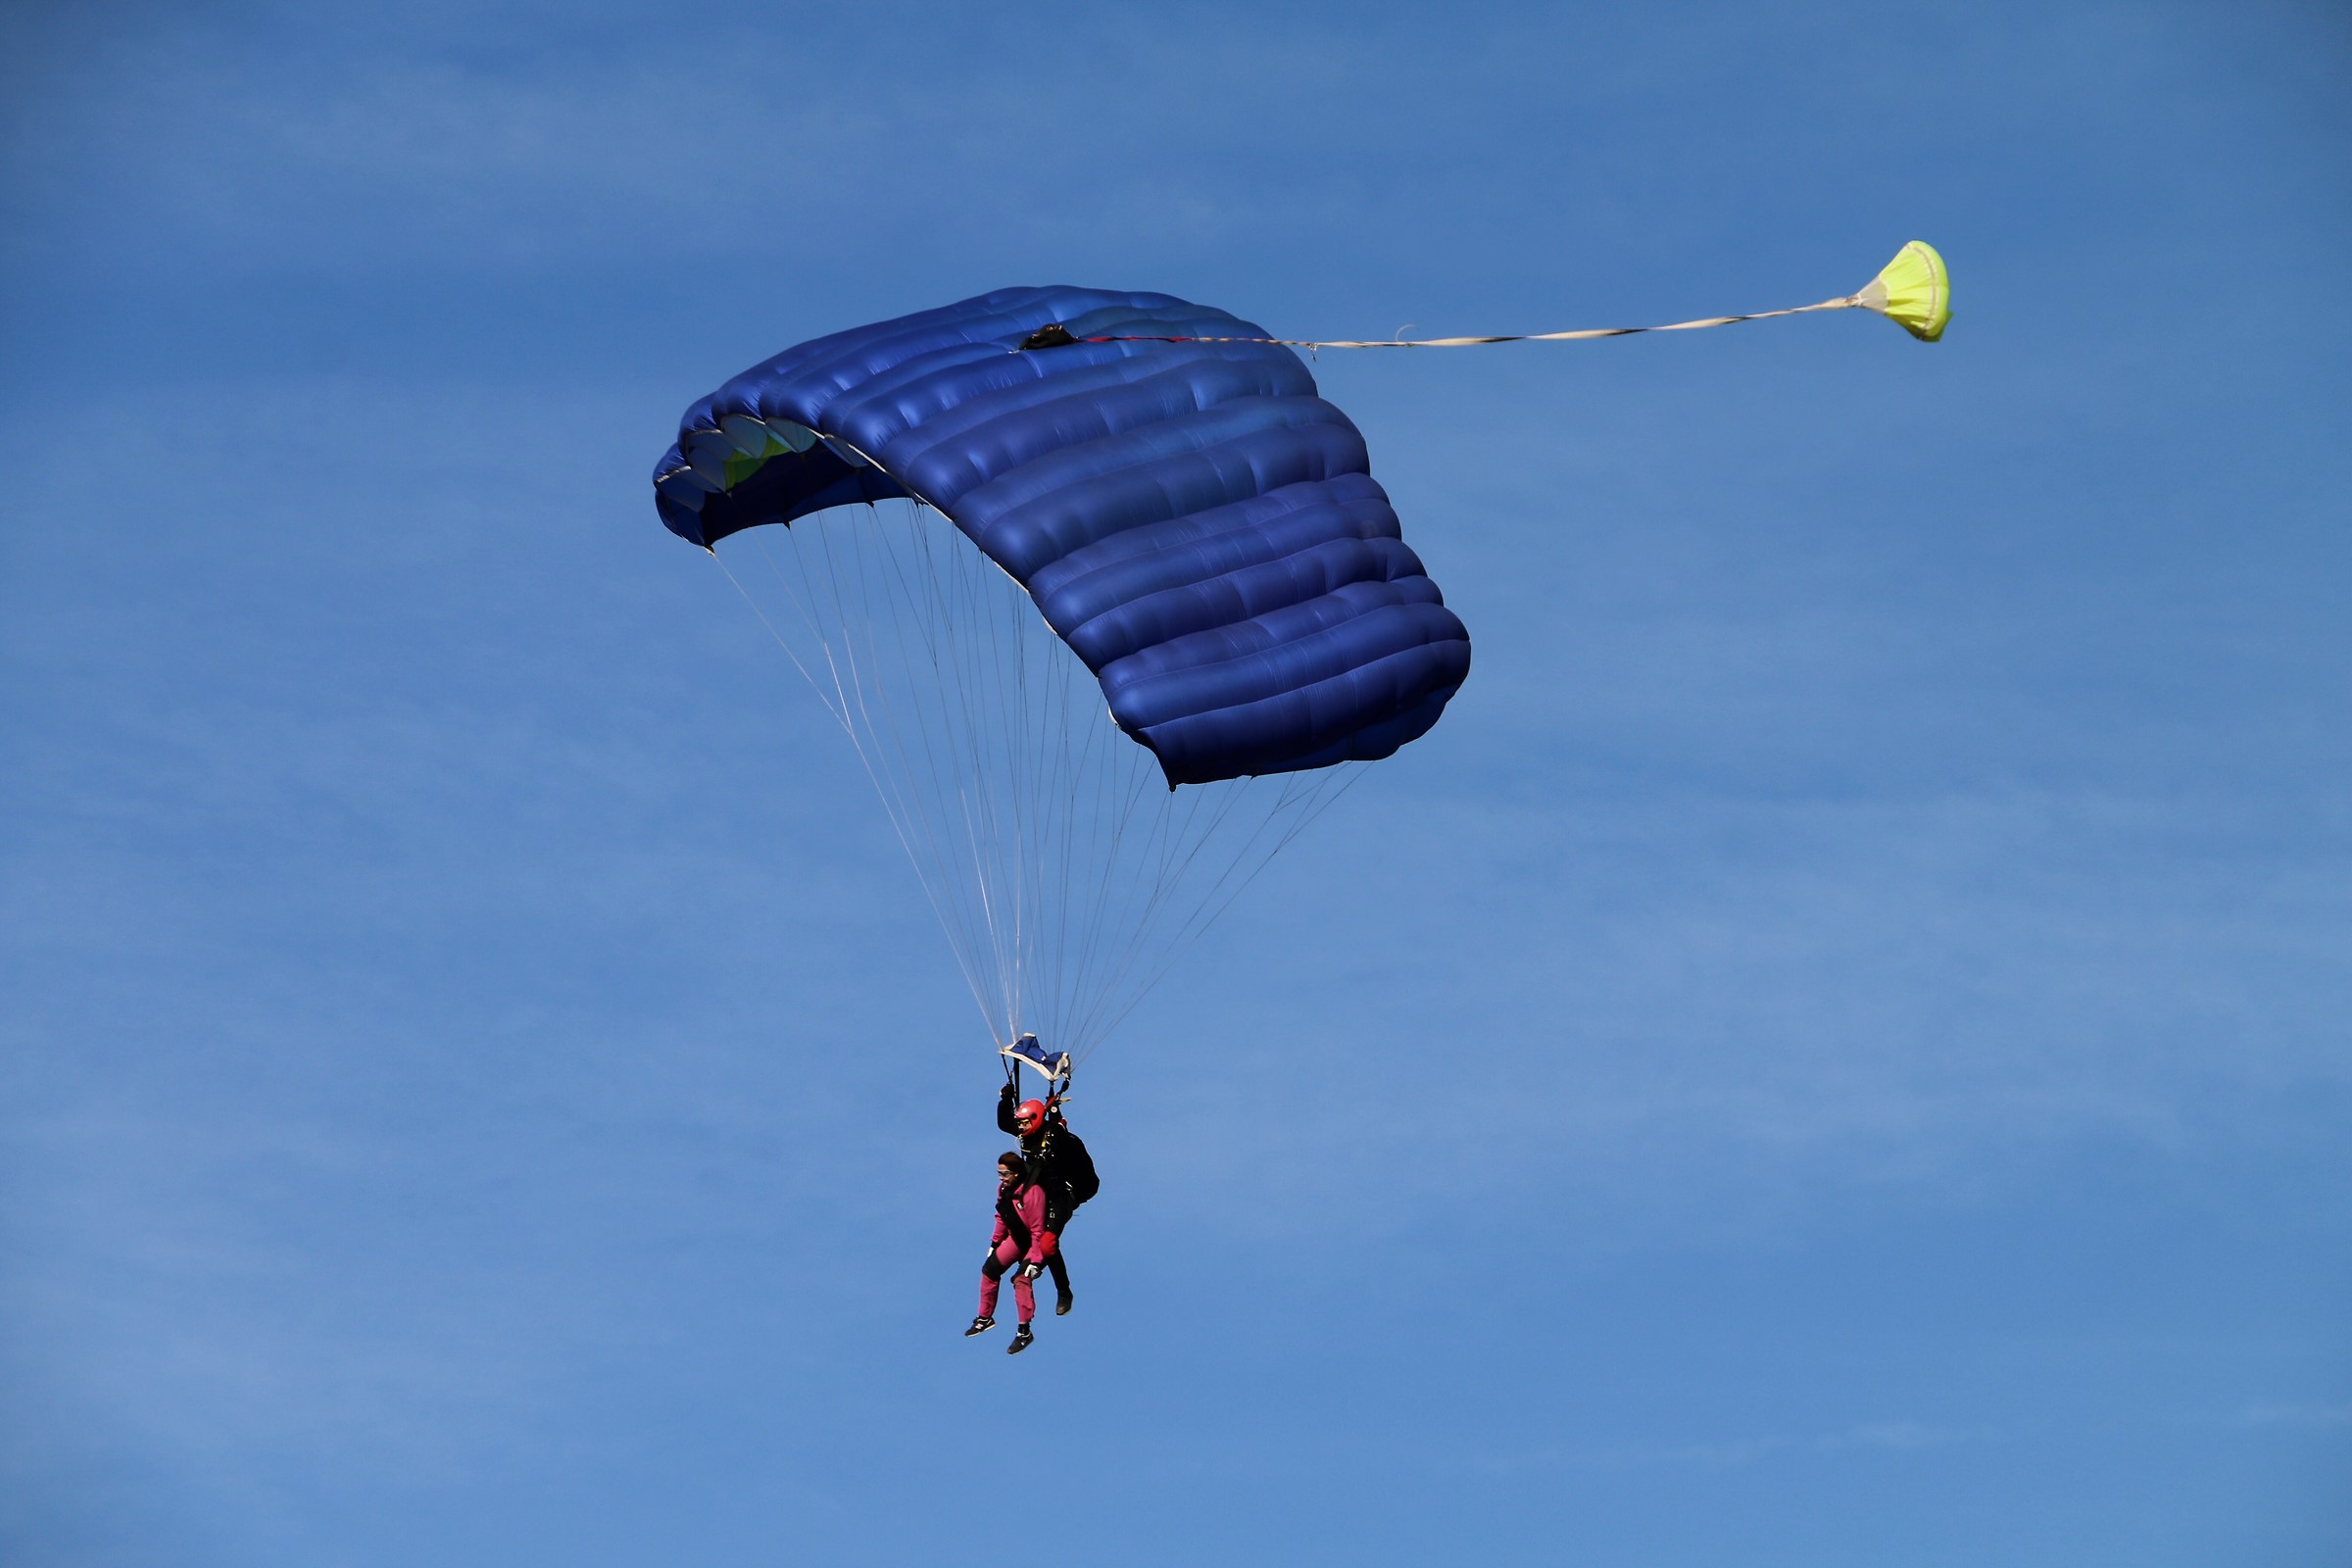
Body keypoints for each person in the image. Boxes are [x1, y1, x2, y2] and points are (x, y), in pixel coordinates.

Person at [997, 1083, 1100, 1316]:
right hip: (1040, 1193)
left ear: (1036, 1119)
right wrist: (1005, 1098)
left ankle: (1064, 1292)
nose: (1020, 1127)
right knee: (1023, 1226)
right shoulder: (1026, 1131)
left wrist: (1055, 1115)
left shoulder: (1056, 1136)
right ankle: (1028, 1258)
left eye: (1024, 1122)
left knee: (1048, 1242)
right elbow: (1004, 1123)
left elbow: (1067, 1141)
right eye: (1020, 1123)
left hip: (1063, 1194)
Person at [966, 1150, 1046, 1354]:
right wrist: (995, 1242)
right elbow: (1002, 1216)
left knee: (1021, 1280)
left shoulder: (1032, 1193)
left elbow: (1038, 1231)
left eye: (1005, 1174)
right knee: (990, 1270)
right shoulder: (1003, 1190)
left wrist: (1035, 1261)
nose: (1002, 1178)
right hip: (1017, 1239)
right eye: (999, 1174)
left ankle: (1024, 1332)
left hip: (1035, 1244)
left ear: (1016, 1174)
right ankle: (985, 1317)